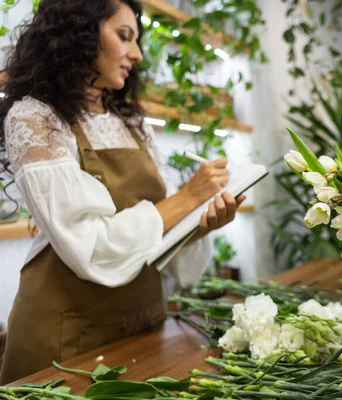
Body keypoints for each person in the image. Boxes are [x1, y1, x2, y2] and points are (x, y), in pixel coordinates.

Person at [0, 0, 244, 383]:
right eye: (124, 36)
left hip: (142, 324)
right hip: (63, 338)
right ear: (79, 34)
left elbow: (158, 240)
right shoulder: (35, 119)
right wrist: (188, 198)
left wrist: (198, 227)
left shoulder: (129, 122)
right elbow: (91, 246)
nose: (138, 53)